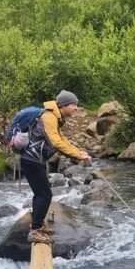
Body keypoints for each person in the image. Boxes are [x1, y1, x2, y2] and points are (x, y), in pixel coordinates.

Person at [20, 90, 92, 244]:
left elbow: (62, 139)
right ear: (64, 105)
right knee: (45, 195)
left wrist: (78, 152)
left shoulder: (54, 117)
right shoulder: (49, 117)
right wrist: (78, 156)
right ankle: (35, 231)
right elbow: (56, 143)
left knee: (41, 193)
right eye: (73, 104)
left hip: (34, 160)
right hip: (31, 161)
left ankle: (38, 225)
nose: (76, 108)